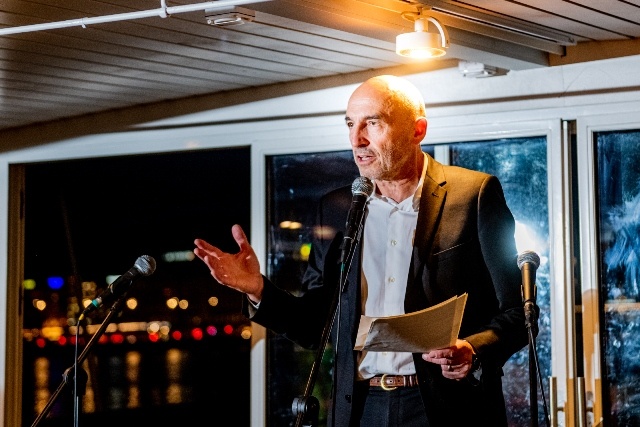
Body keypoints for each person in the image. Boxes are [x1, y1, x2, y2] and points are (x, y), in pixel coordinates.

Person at [194, 75, 531, 426]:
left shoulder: (473, 195)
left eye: (373, 123)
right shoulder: (338, 208)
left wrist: (473, 351)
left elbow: (520, 313)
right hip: (360, 406)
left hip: (447, 406)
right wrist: (258, 289)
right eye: (351, 124)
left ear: (418, 130)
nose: (357, 140)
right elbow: (315, 326)